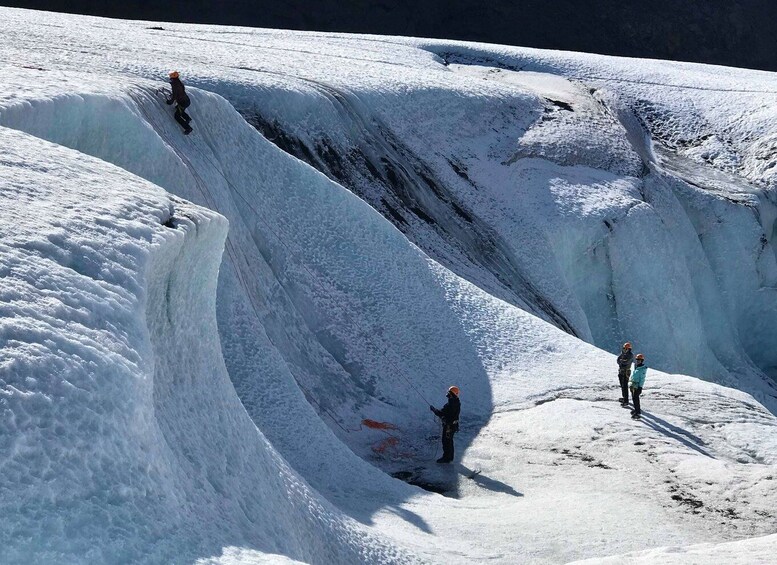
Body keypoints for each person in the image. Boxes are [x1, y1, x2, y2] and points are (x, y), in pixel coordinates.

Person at [430, 386, 461, 464]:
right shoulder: (457, 402)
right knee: (449, 441)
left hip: (449, 427)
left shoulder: (451, 403)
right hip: (453, 426)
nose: (447, 395)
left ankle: (446, 458)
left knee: (446, 442)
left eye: (449, 393)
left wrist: (434, 410)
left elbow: (443, 413)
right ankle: (450, 457)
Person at [629, 354, 647, 419]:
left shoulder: (642, 369)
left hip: (637, 386)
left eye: (639, 360)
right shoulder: (637, 367)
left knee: (636, 399)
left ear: (642, 360)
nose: (638, 361)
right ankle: (636, 410)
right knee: (634, 398)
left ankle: (638, 413)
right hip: (634, 385)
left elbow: (642, 379)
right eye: (637, 360)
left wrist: (640, 387)